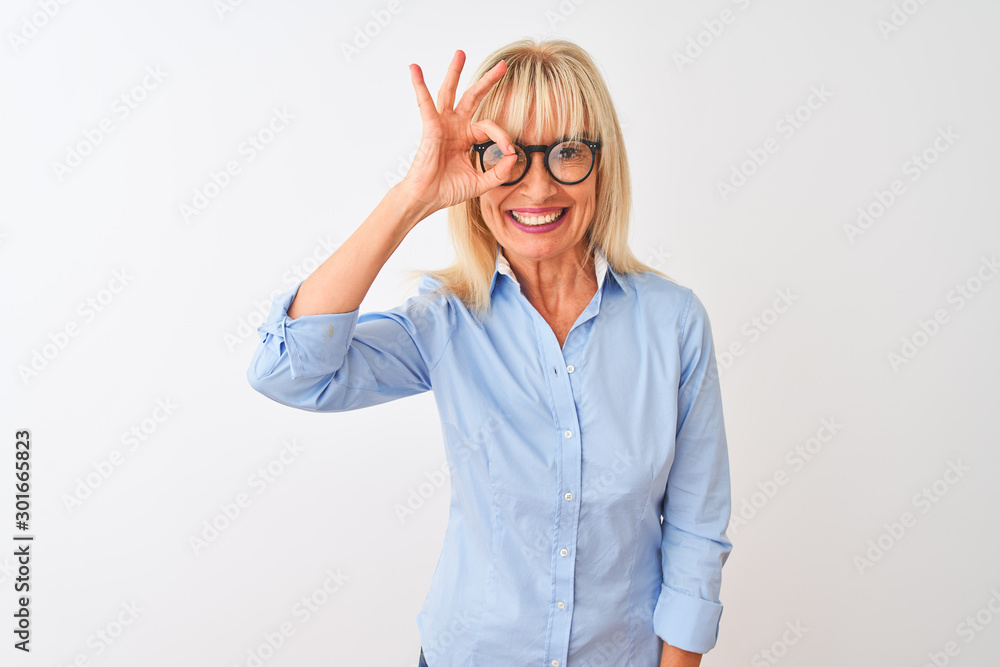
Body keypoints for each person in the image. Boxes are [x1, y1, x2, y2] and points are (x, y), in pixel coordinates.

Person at [246, 38, 733, 667]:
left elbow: (696, 531)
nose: (535, 188)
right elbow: (288, 372)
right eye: (502, 157)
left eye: (566, 152)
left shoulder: (673, 323)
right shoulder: (446, 318)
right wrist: (412, 197)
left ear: (601, 164)